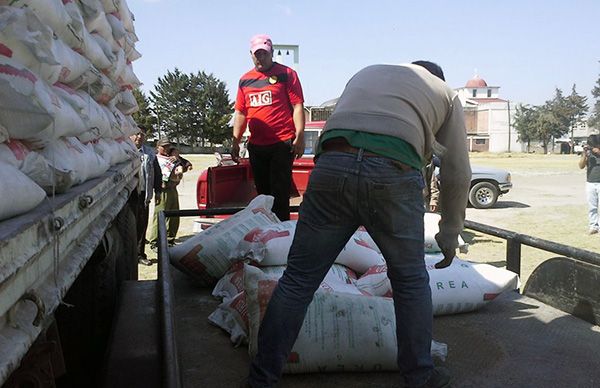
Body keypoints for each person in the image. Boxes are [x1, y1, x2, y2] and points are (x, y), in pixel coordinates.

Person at [245, 61, 471, 388]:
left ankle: (261, 379)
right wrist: (449, 234)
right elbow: (457, 172)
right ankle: (420, 376)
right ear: (436, 78)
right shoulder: (445, 94)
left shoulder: (369, 72)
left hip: (332, 165)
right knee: (409, 280)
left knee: (298, 280)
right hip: (393, 171)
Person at [231, 34, 305, 221]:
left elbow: (297, 106)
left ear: (271, 53)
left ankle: (280, 235)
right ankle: (265, 233)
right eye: (256, 54)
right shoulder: (245, 80)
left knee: (279, 196)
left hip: (281, 143)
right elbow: (241, 113)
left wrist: (300, 135)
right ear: (251, 54)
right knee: (262, 196)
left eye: (264, 54)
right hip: (256, 146)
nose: (260, 58)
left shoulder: (286, 74)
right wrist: (235, 142)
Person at [130, 127, 162, 266]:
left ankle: (139, 254)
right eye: (137, 134)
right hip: (128, 196)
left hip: (143, 194)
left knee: (142, 225)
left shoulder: (149, 153)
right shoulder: (123, 150)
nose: (139, 137)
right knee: (128, 226)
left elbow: (157, 172)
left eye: (143, 134)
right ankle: (128, 254)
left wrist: (158, 191)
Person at [149, 137, 181, 248]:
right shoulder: (155, 158)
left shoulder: (173, 158)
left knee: (174, 214)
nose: (167, 148)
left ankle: (170, 239)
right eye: (164, 146)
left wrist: (176, 158)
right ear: (158, 147)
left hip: (173, 188)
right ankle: (155, 241)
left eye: (168, 146)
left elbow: (185, 166)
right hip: (162, 189)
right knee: (160, 216)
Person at [578, 134, 600, 234]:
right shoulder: (588, 153)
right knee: (592, 207)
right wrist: (584, 155)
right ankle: (593, 226)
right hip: (590, 182)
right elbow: (581, 166)